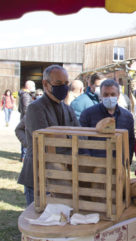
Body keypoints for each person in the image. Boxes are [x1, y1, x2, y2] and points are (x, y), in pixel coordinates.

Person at [18, 65, 79, 206]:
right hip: (39, 177)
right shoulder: (36, 108)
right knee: (39, 219)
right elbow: (47, 143)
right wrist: (30, 145)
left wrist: (66, 138)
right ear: (45, 84)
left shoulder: (67, 109)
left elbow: (82, 137)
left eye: (65, 84)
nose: (63, 88)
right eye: (58, 84)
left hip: (61, 174)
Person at [79, 79, 135, 161]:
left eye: (113, 94)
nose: (109, 97)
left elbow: (130, 141)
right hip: (95, 165)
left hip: (118, 164)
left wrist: (126, 161)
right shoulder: (88, 114)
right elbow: (81, 139)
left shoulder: (127, 117)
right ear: (101, 95)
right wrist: (89, 163)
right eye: (106, 94)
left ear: (118, 95)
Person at [18, 80, 35, 162]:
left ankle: (24, 156)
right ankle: (24, 157)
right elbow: (26, 109)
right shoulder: (26, 96)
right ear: (29, 87)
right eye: (33, 86)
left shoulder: (24, 95)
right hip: (27, 119)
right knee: (26, 137)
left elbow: (19, 109)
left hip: (24, 118)